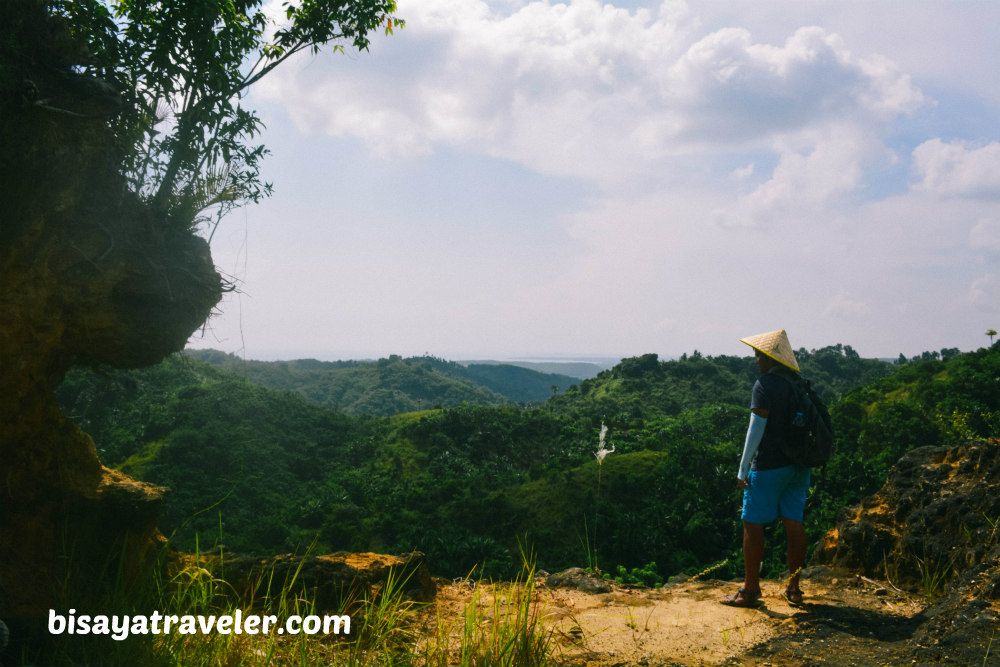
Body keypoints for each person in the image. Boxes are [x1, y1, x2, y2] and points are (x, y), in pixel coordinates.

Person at [721, 329, 809, 607]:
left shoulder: (765, 385)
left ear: (770, 358)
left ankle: (750, 590)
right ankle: (794, 589)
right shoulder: (799, 384)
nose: (756, 359)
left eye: (759, 354)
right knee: (794, 524)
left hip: (770, 465)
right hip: (799, 466)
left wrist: (743, 466)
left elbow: (756, 426)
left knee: (752, 523)